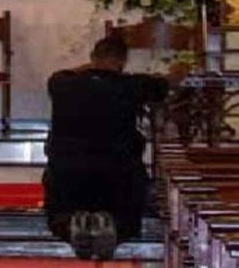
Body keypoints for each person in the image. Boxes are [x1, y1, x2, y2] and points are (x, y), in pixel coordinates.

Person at [43, 34, 190, 260]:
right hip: (117, 173)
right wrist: (181, 68)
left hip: (68, 173)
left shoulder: (60, 83)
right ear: (123, 62)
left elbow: (73, 71)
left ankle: (70, 224)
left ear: (93, 57)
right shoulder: (134, 85)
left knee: (57, 211)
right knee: (131, 215)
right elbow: (170, 82)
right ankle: (115, 228)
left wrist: (93, 67)